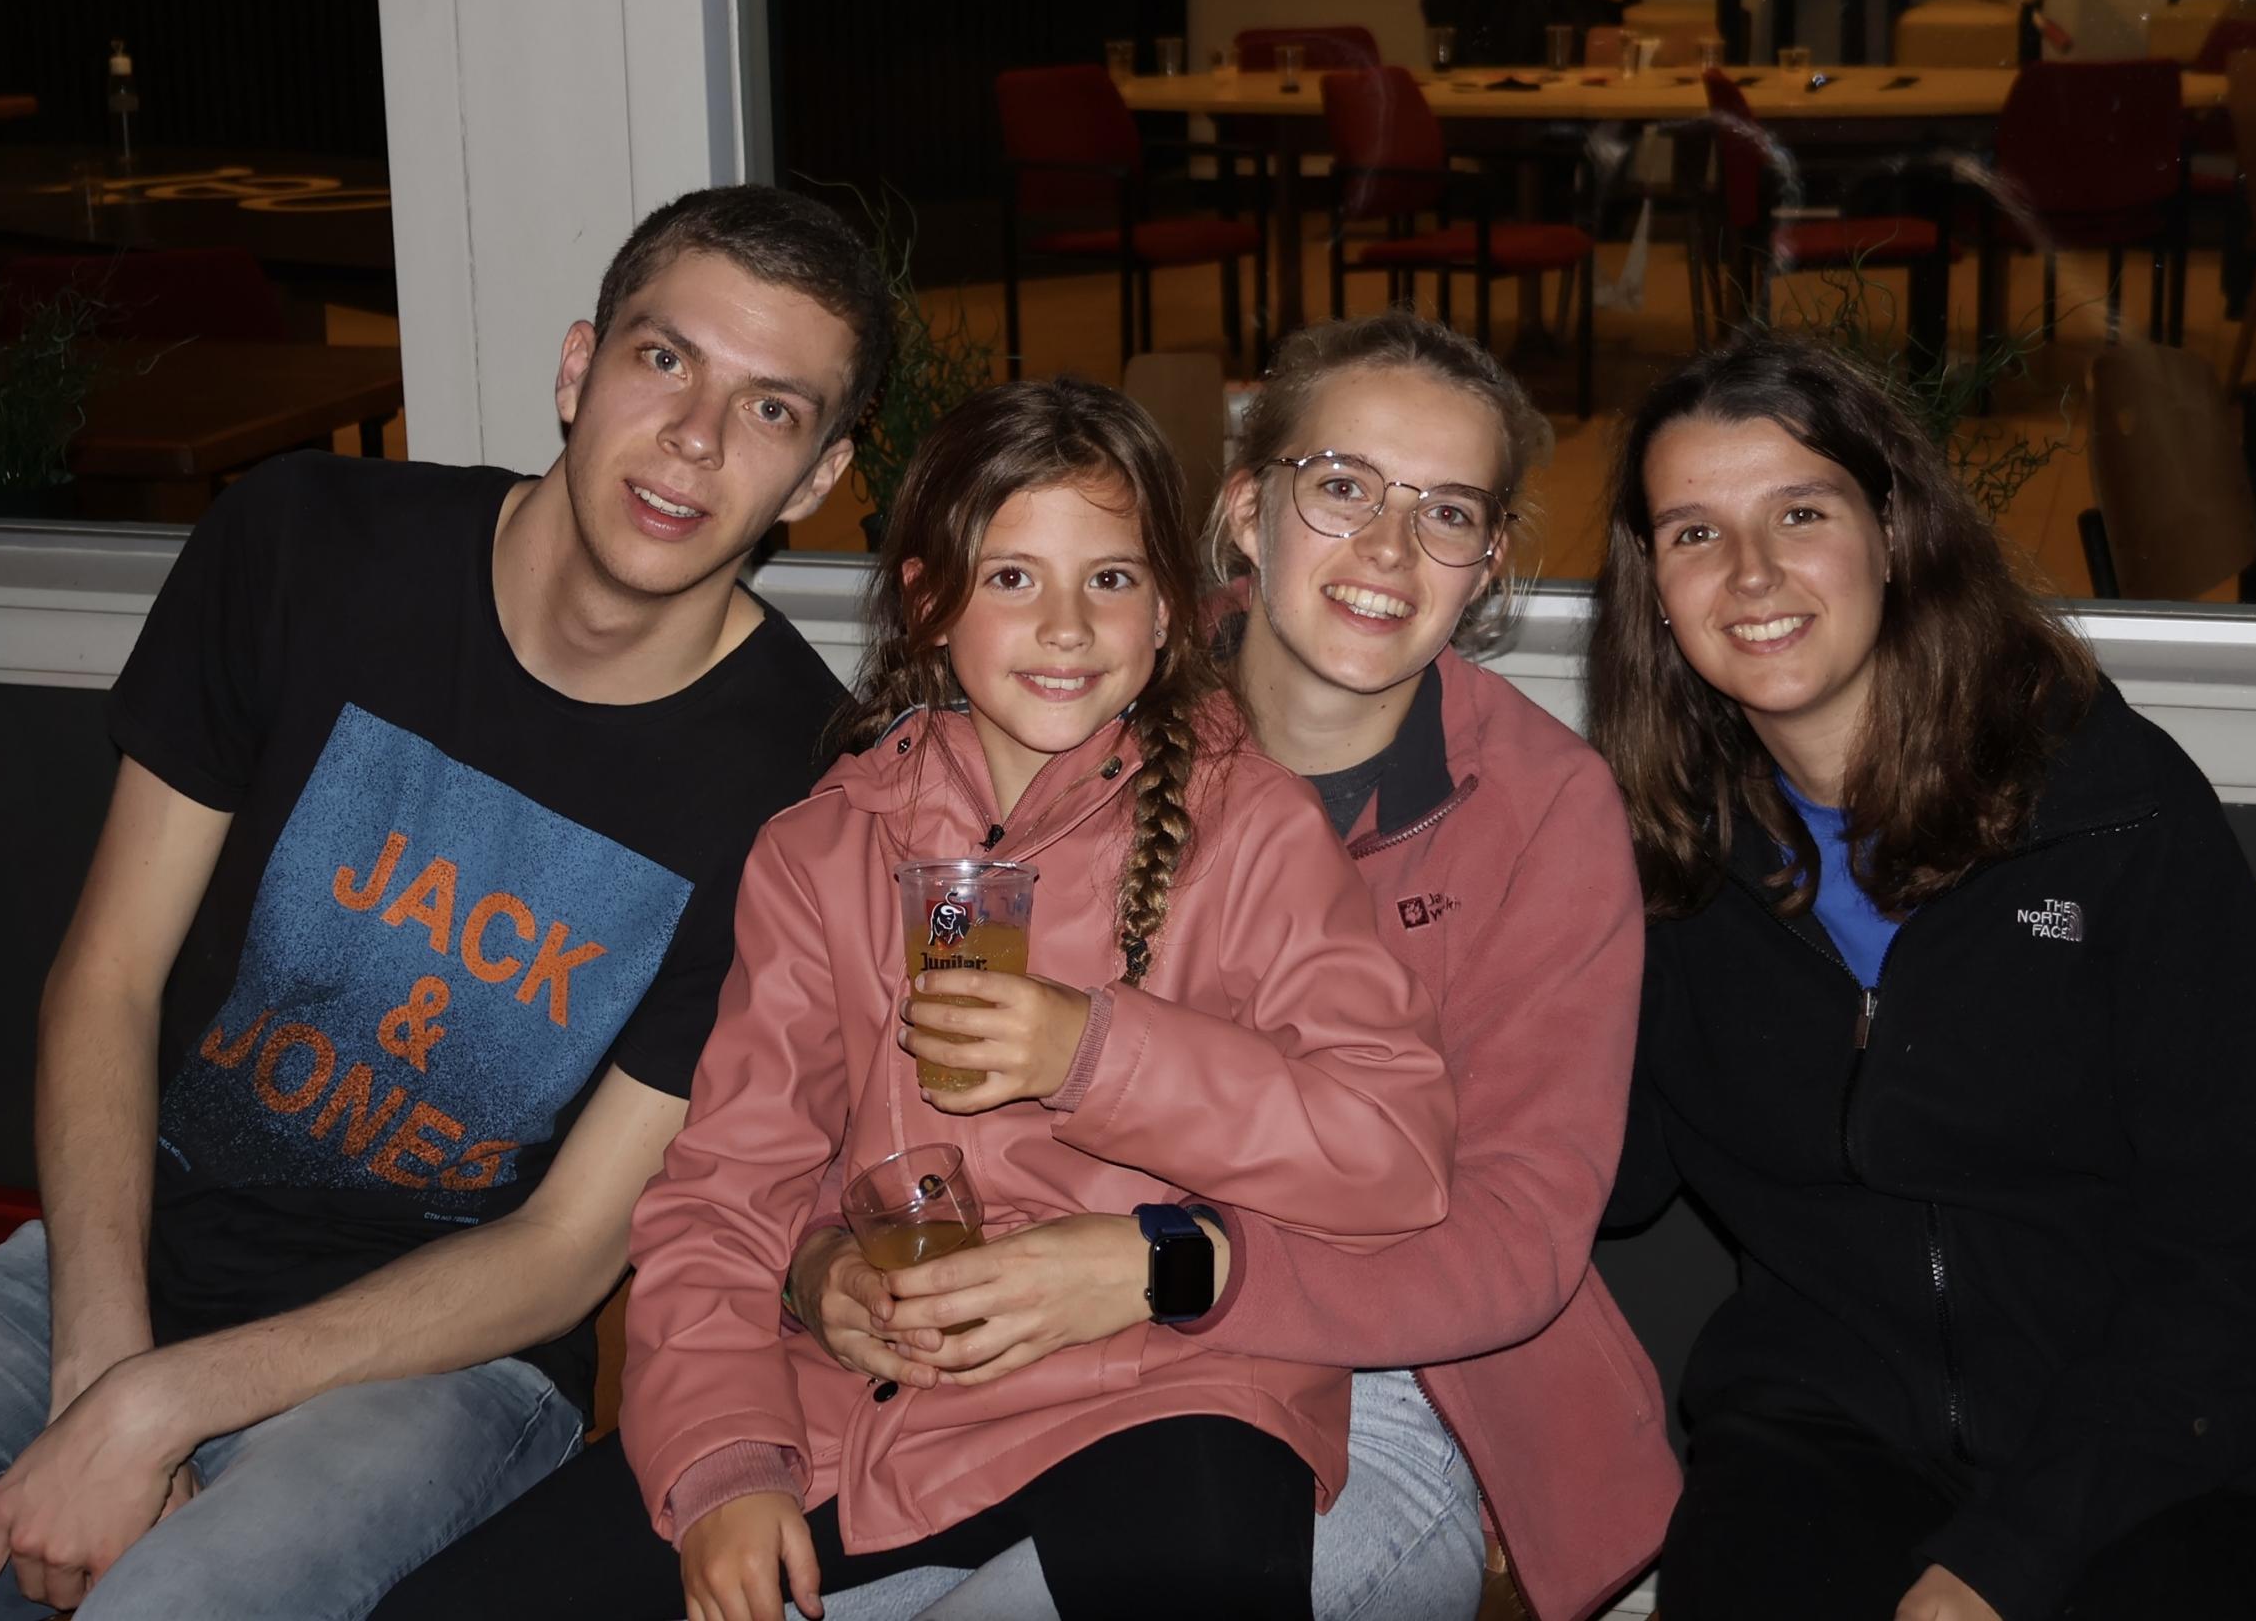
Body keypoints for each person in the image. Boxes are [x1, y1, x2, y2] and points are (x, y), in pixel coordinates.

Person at [0, 185, 892, 1621]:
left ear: (816, 478)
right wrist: (106, 1370)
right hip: (113, 1268)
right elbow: (108, 977)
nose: (694, 437)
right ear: (578, 367)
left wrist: (168, 1404)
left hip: (448, 1368)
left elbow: (566, 1251)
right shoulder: (306, 544)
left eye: (769, 409)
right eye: (663, 358)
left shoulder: (799, 791)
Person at [378, 376, 1456, 1621]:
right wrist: (732, 1451)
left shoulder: (1253, 829)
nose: (1066, 626)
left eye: (1109, 579)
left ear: (1166, 609)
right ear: (929, 601)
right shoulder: (823, 847)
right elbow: (726, 1188)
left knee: (1200, 1549)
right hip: (870, 1406)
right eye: (1012, 578)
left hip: (1161, 1393)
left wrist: (1093, 1053)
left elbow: (1394, 1151)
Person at [804, 313, 1678, 1621]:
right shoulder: (1075, 678)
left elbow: (1514, 1237)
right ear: (1248, 511)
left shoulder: (1547, 812)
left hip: (1393, 1380)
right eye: (1343, 487)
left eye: (1446, 513)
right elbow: (845, 1074)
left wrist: (1156, 1264)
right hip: (1024, 1344)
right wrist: (820, 1265)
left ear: (1490, 564)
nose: (1389, 549)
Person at [1588, 332, 2256, 1621]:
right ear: (1653, 585)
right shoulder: (1666, 863)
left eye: (1800, 512)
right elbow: (1596, 1175)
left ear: (1894, 530)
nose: (1752, 573)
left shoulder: (2111, 814)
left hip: (2153, 1454)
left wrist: (2003, 1564)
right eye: (1694, 533)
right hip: (1820, 1442)